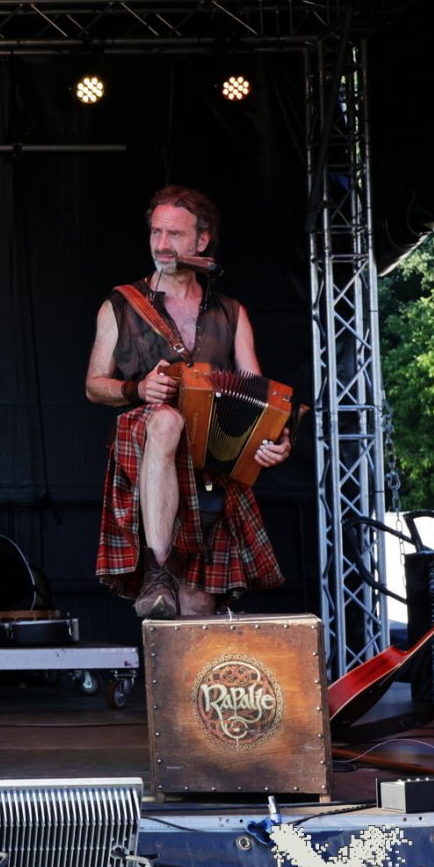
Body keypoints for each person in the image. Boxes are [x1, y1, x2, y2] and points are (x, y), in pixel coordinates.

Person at [85, 185, 292, 618]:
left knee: (196, 608)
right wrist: (137, 390)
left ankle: (181, 646)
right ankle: (157, 569)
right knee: (166, 421)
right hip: (147, 450)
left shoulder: (232, 313)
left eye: (175, 234)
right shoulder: (120, 305)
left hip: (206, 469)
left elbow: (260, 398)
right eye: (156, 232)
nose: (162, 244)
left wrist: (276, 440)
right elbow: (93, 385)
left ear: (202, 241)